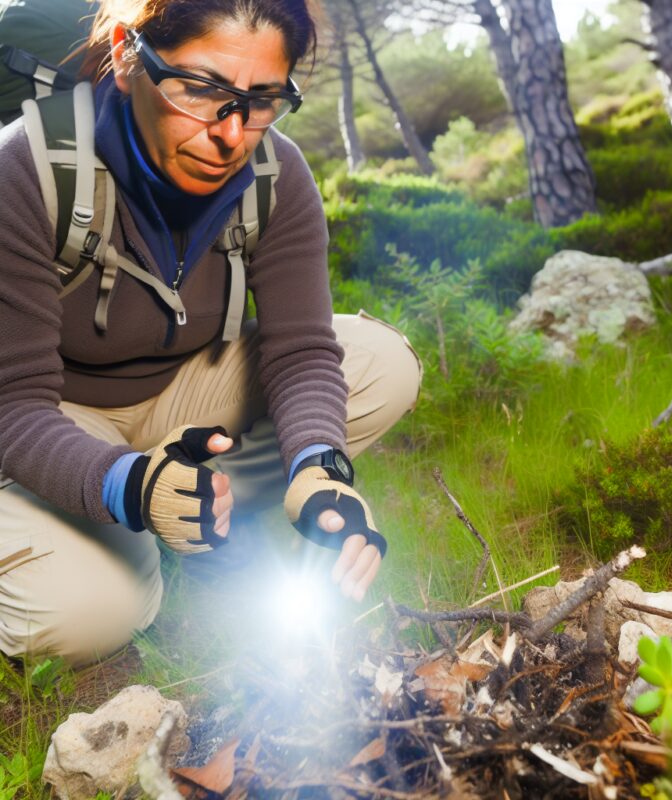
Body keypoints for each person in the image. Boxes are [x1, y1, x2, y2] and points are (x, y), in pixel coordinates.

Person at [0, 0, 421, 667]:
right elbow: (13, 406)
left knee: (379, 364)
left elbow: (304, 351)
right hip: (51, 419)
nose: (231, 133)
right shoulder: (24, 171)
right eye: (200, 90)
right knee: (85, 619)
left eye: (263, 100)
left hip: (183, 399)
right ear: (124, 56)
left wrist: (320, 468)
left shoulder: (276, 178)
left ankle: (195, 513)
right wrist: (129, 485)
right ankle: (133, 515)